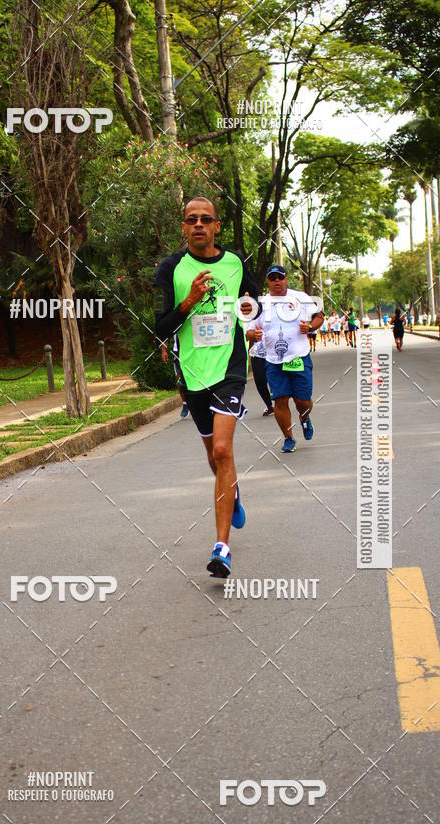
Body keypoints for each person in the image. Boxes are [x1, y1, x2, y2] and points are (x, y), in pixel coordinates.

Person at [154, 196, 259, 578]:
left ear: (217, 227)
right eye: (191, 219)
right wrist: (191, 301)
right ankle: (232, 492)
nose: (198, 224)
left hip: (230, 369)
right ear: (184, 227)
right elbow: (160, 326)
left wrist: (251, 322)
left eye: (206, 219)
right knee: (215, 460)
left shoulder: (236, 263)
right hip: (192, 374)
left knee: (222, 448)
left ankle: (221, 548)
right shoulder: (171, 268)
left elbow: (252, 303)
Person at [246, 265, 323, 453]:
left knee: (302, 401)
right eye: (272, 278)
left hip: (298, 357)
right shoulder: (261, 304)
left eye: (280, 277)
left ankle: (304, 417)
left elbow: (319, 317)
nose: (277, 281)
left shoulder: (301, 298)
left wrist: (311, 327)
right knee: (280, 400)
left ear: (286, 279)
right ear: (268, 282)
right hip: (273, 360)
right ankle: (288, 438)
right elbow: (249, 329)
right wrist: (253, 335)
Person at [161, 336, 189, 417]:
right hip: (177, 353)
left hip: (193, 351)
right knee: (179, 380)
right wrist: (163, 350)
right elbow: (167, 332)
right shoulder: (176, 323)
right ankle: (185, 403)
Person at [249, 338, 274, 417]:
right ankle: (269, 406)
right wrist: (250, 350)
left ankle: (279, 403)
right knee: (260, 382)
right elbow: (250, 335)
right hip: (256, 355)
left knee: (274, 380)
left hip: (272, 354)